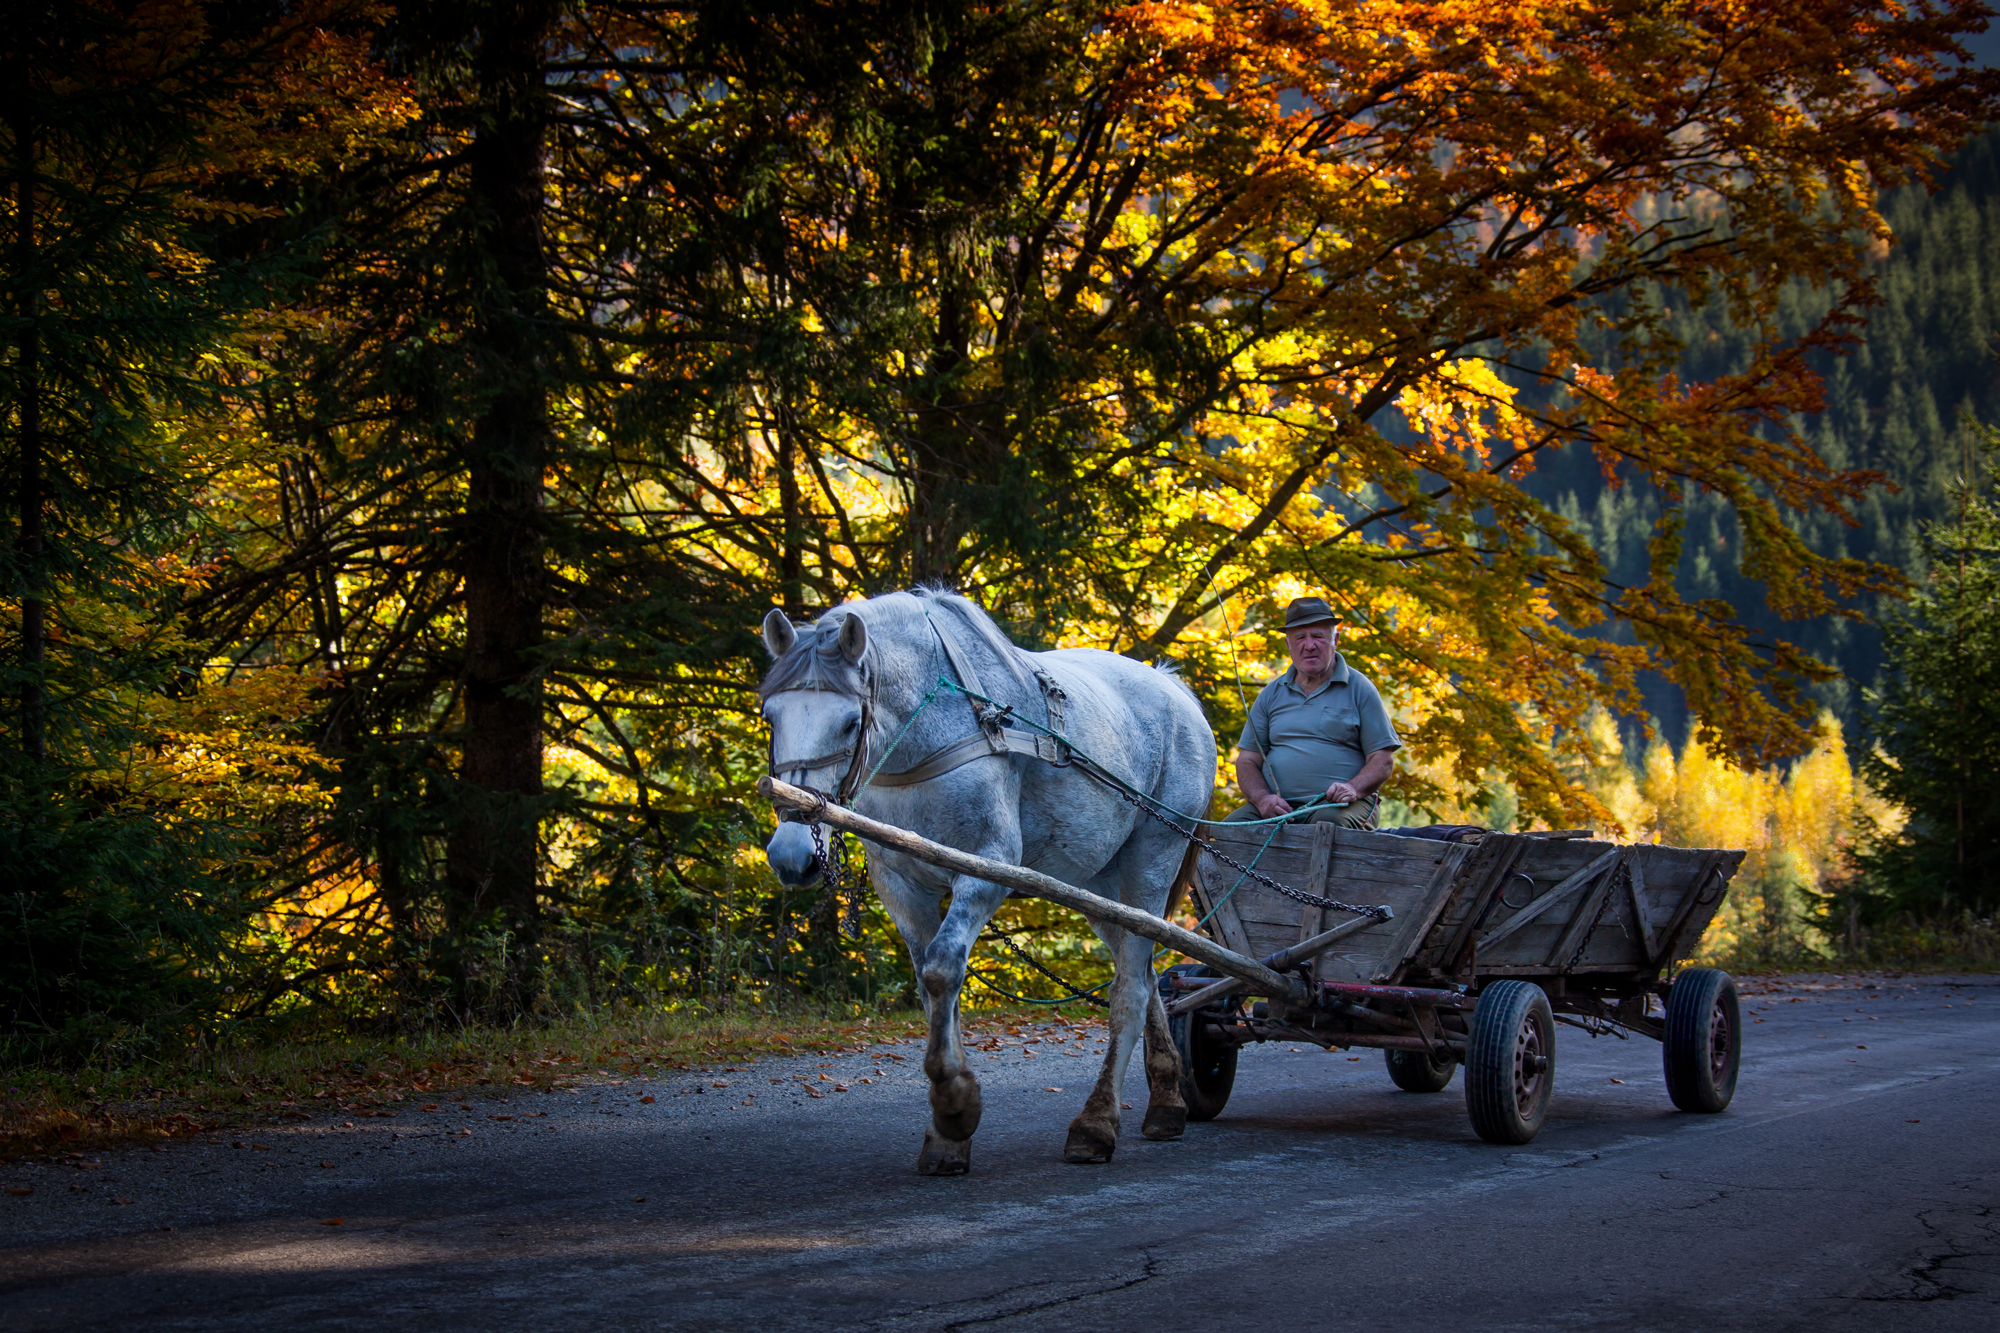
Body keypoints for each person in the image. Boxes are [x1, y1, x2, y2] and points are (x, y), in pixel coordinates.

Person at [1226, 596, 1400, 829]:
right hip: (1279, 807)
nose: (1309, 645)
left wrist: (1353, 788)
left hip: (1341, 806)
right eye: (1299, 637)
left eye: (1318, 635)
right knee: (1224, 833)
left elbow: (1383, 760)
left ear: (1335, 639)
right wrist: (1262, 799)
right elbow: (1247, 760)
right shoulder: (1271, 694)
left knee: (1325, 827)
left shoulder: (1360, 688)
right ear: (1288, 645)